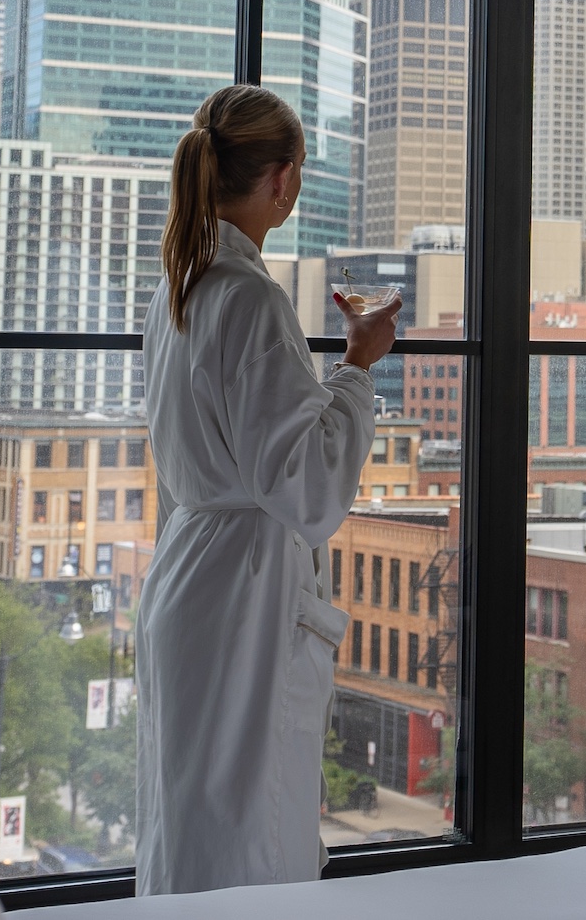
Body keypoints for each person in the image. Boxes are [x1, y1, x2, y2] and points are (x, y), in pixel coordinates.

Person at [134, 84, 400, 895]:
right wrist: (358, 367)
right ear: (281, 180)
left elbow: (245, 447)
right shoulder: (250, 297)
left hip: (187, 574)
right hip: (240, 595)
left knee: (191, 822)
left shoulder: (180, 289)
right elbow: (310, 491)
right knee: (247, 837)